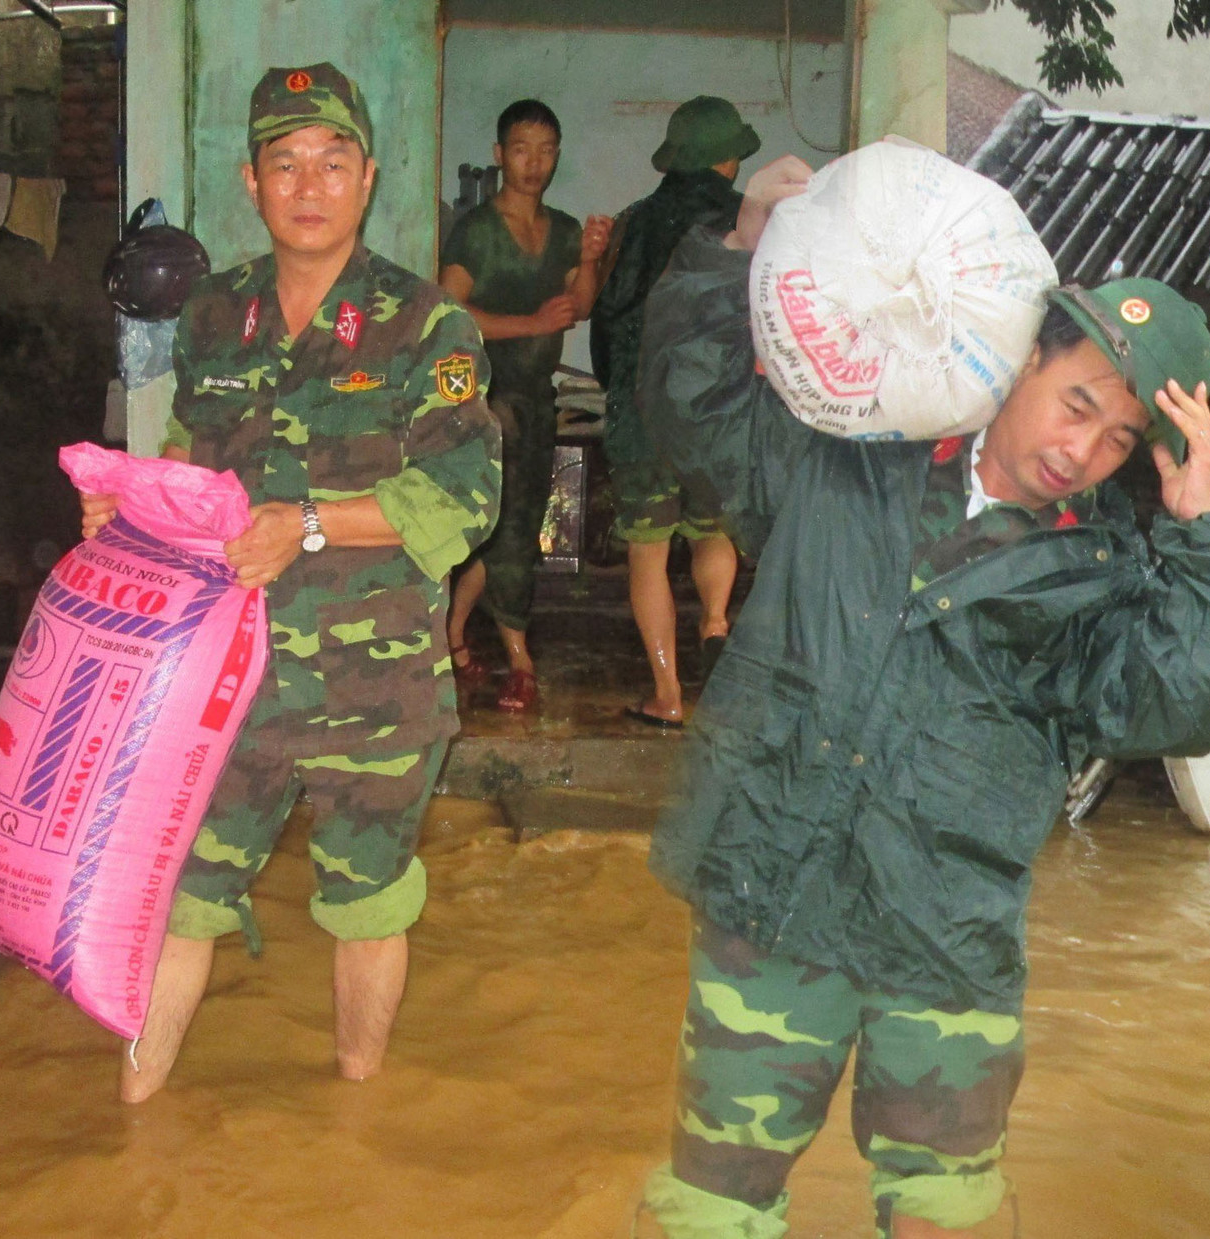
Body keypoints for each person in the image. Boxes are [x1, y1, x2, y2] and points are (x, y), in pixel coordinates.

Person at [632, 158, 1210, 1237]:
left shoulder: (1104, 583)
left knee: (943, 1212)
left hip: (947, 938)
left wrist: (1198, 533)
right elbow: (691, 402)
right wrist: (737, 243)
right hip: (775, 892)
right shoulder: (847, 455)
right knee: (709, 1209)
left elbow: (1189, 705)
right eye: (1077, 404)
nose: (1083, 450)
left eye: (1121, 442)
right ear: (1021, 361)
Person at [78, 63, 501, 1103]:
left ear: (365, 178)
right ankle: (133, 1113)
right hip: (226, 682)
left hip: (376, 683)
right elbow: (191, 463)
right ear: (251, 182)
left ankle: (357, 1120)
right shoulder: (217, 315)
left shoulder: (425, 325)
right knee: (181, 894)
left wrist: (306, 525)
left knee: (368, 905)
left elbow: (463, 496)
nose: (308, 184)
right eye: (285, 163)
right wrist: (130, 511)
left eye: (332, 161)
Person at [589, 96, 760, 729]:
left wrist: (619, 391)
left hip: (640, 409)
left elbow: (609, 314)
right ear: (728, 157)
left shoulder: (636, 220)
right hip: (713, 415)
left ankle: (667, 692)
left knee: (649, 553)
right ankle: (714, 622)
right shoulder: (747, 220)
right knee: (712, 528)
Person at [438, 100, 612, 712]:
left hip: (538, 401)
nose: (533, 163)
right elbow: (447, 315)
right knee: (512, 529)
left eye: (545, 150)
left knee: (511, 525)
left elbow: (580, 307)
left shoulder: (563, 229)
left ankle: (454, 636)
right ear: (499, 155)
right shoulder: (478, 231)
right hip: (485, 403)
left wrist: (589, 259)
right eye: (520, 149)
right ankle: (521, 659)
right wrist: (527, 323)